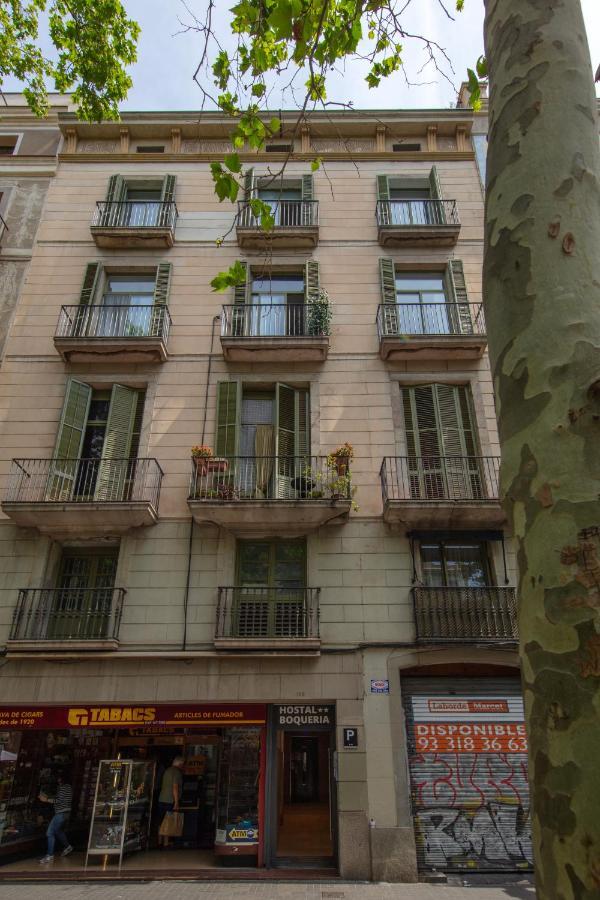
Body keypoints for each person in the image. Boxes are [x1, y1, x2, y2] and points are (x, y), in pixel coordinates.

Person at [38, 771, 73, 864]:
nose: (57, 780)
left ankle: (49, 856)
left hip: (61, 813)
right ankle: (67, 846)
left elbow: (59, 801)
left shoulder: (64, 788)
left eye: (58, 778)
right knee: (58, 831)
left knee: (50, 833)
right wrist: (48, 797)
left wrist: (46, 799)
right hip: (66, 813)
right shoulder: (68, 787)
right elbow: (60, 799)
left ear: (61, 778)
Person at [157, 755, 184, 848]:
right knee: (168, 821)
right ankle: (166, 843)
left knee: (161, 821)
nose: (183, 766)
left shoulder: (167, 770)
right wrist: (176, 802)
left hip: (161, 798)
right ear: (180, 764)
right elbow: (175, 787)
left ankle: (159, 841)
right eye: (182, 764)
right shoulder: (176, 772)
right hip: (170, 800)